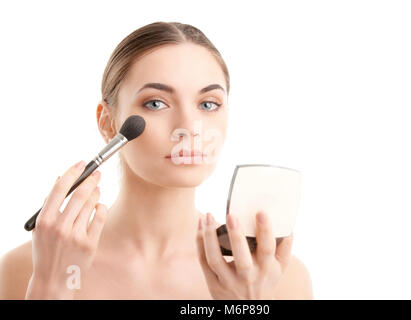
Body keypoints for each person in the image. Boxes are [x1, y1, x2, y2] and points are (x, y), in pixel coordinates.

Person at [0, 21, 313, 299]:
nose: (189, 128)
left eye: (207, 104)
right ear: (108, 123)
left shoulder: (275, 279)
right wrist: (50, 289)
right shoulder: (26, 269)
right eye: (156, 103)